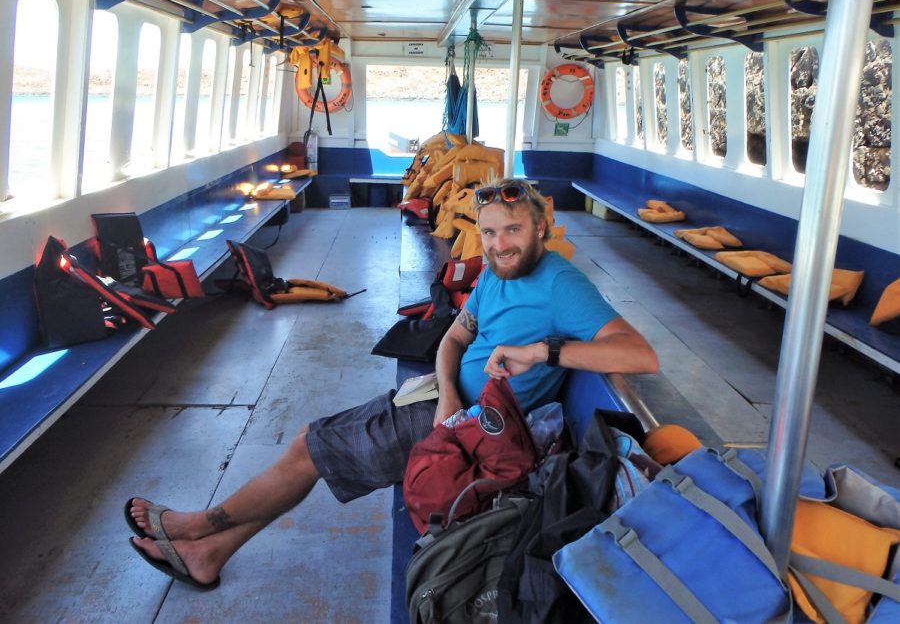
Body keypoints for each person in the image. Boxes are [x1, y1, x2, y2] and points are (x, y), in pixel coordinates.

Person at [127, 177, 658, 589]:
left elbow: (640, 355)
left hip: (477, 436)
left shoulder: (562, 285)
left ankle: (199, 528)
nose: (498, 244)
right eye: (490, 231)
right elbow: (452, 340)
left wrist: (544, 351)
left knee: (308, 449)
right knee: (312, 447)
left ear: (540, 229)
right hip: (443, 404)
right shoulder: (498, 272)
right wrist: (447, 393)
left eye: (513, 231)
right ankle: (207, 554)